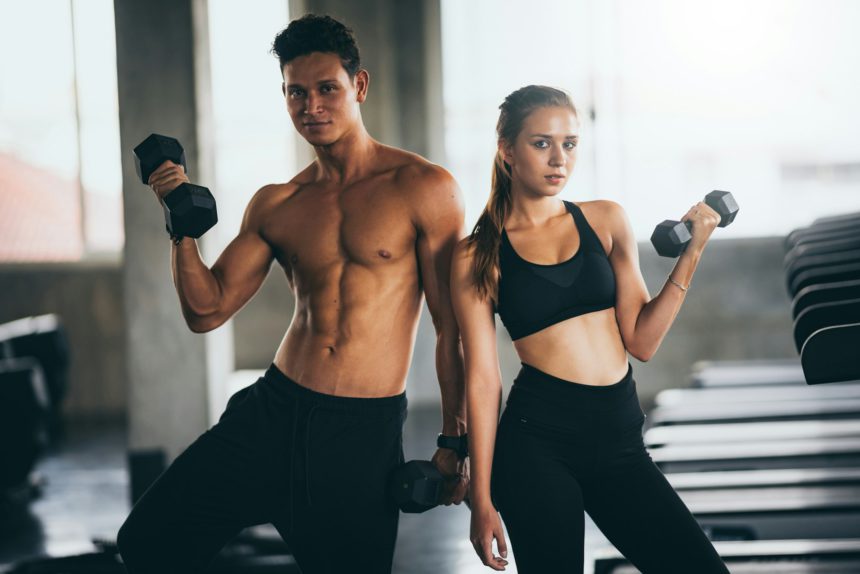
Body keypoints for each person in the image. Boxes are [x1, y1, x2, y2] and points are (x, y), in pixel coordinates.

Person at [117, 14, 469, 574]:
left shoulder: (423, 188)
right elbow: (206, 310)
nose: (312, 106)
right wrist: (180, 227)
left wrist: (457, 437)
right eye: (295, 93)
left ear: (359, 86)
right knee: (149, 541)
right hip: (271, 414)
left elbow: (454, 327)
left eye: (326, 88)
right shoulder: (277, 204)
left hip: (359, 432)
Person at [450, 85, 729, 573]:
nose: (559, 158)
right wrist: (481, 497)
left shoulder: (605, 219)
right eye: (542, 143)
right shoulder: (479, 254)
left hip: (620, 438)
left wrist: (694, 251)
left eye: (570, 143)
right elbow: (482, 378)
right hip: (538, 444)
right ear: (507, 150)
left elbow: (641, 341)